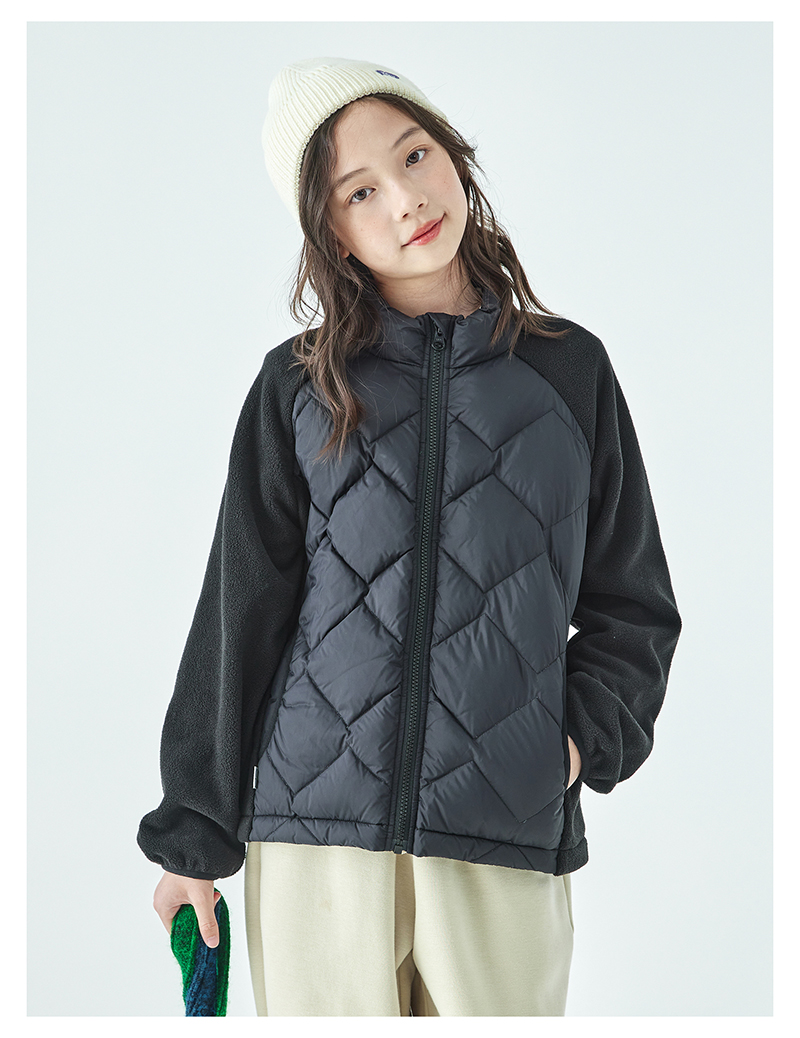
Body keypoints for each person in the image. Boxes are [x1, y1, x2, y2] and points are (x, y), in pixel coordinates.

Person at [138, 56, 682, 1016]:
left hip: (501, 834)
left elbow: (633, 605)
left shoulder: (570, 374)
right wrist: (193, 839)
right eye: (360, 191)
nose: (405, 199)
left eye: (415, 154)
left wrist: (569, 749)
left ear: (453, 156)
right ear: (332, 234)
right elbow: (239, 613)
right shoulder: (298, 387)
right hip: (314, 848)